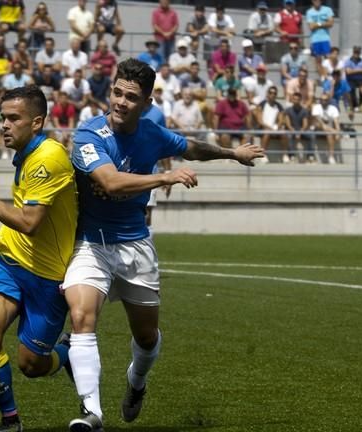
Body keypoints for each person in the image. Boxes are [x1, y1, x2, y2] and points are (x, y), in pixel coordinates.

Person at [64, 58, 263, 431]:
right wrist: (163, 177)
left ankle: (136, 383)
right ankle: (92, 413)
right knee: (80, 318)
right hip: (91, 243)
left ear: (146, 102)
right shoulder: (89, 136)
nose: (120, 102)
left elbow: (191, 147)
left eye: (131, 97)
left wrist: (232, 154)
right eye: (117, 93)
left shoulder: (152, 134)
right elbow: (109, 183)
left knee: (146, 336)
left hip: (135, 247)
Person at [0, 85, 77, 432]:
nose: (4, 125)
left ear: (37, 122)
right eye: (3, 118)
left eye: (14, 118)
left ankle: (67, 354)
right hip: (11, 262)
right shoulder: (27, 153)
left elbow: (30, 223)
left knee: (31, 365)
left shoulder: (47, 157)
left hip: (47, 274)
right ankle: (9, 420)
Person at [254, 86, 285, 162]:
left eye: (274, 93)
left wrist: (278, 127)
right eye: (271, 93)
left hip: (274, 128)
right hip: (262, 128)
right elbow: (259, 121)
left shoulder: (279, 106)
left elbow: (281, 120)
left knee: (284, 133)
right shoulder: (262, 104)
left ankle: (285, 155)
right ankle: (263, 154)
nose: (273, 94)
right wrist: (269, 128)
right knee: (267, 132)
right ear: (267, 94)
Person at [283, 92, 313, 163]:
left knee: (312, 135)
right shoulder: (288, 110)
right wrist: (294, 132)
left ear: (300, 100)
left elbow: (305, 124)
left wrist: (300, 132)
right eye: (294, 99)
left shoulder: (304, 111)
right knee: (289, 136)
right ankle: (291, 156)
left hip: (301, 131)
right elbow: (288, 124)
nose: (296, 101)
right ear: (292, 100)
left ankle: (310, 156)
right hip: (291, 130)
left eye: (298, 99)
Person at [311, 93, 340, 164]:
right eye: (321, 100)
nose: (323, 101)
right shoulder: (316, 107)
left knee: (329, 134)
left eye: (325, 100)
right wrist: (336, 132)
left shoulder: (333, 109)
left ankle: (331, 156)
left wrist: (338, 131)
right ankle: (334, 132)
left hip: (328, 131)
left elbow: (336, 122)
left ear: (329, 100)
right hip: (317, 129)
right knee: (319, 124)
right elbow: (318, 120)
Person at [305, 0, 334, 71]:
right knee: (318, 60)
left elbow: (331, 23)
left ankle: (328, 75)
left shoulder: (328, 10)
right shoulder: (309, 12)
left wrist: (317, 24)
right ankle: (321, 77)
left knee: (328, 59)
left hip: (325, 39)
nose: (317, 1)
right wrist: (324, 23)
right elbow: (311, 27)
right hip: (315, 39)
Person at [343, 46, 362, 112]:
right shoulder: (348, 61)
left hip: (360, 79)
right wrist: (359, 70)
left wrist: (353, 70)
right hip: (350, 79)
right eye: (355, 52)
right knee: (351, 89)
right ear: (353, 52)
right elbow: (348, 72)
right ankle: (355, 106)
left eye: (358, 52)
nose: (356, 53)